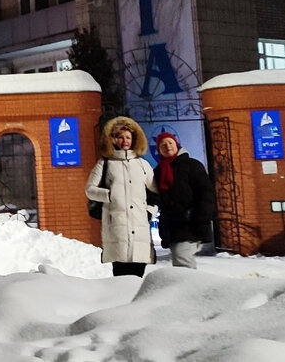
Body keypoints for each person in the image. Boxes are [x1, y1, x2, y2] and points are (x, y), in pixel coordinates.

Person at [85, 116, 158, 277]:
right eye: (120, 137)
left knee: (138, 275)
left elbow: (155, 193)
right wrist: (109, 195)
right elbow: (89, 189)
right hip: (116, 227)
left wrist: (149, 211)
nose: (125, 141)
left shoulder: (143, 165)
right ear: (113, 140)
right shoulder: (104, 163)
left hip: (139, 226)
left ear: (134, 140)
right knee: (120, 275)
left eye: (128, 137)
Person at [152, 132, 216, 269]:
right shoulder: (159, 171)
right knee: (180, 262)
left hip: (190, 223)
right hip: (172, 226)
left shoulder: (192, 165)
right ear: (158, 150)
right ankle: (187, 282)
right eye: (163, 145)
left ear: (177, 145)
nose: (167, 146)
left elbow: (206, 193)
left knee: (182, 260)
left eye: (170, 143)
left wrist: (201, 218)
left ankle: (189, 283)